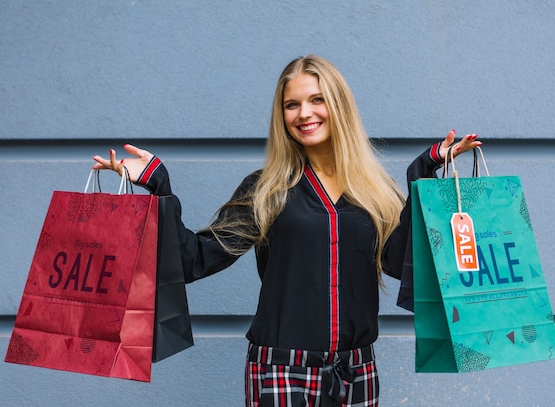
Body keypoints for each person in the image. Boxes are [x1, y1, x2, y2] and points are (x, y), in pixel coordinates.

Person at [93, 55, 481, 407]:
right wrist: (159, 187)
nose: (303, 113)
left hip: (357, 370)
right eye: (291, 105)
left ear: (338, 106)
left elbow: (402, 265)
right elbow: (192, 259)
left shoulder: (374, 191)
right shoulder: (266, 190)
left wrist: (424, 175)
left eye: (316, 100)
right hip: (281, 372)